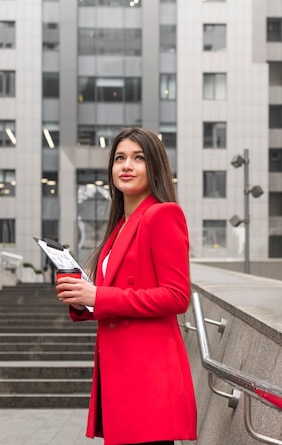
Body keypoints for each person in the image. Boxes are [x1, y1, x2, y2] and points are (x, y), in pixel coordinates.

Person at [55, 127, 197, 445]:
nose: (126, 166)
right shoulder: (121, 226)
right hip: (123, 370)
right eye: (120, 158)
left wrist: (99, 295)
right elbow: (115, 298)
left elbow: (176, 296)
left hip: (148, 374)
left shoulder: (163, 215)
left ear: (155, 167)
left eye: (138, 158)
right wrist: (81, 299)